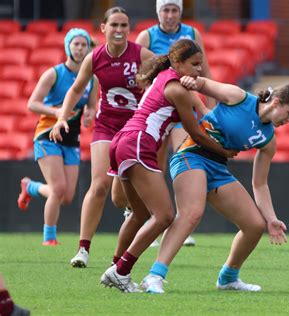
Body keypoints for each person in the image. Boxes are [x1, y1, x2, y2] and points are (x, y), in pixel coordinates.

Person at [138, 77, 289, 294]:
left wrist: (271, 219)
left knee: (255, 225)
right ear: (277, 102)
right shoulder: (239, 97)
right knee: (191, 213)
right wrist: (190, 79)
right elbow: (202, 84)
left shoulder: (268, 140)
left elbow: (260, 184)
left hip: (217, 168)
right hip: (191, 154)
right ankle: (154, 276)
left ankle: (228, 278)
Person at [99, 39, 237, 293]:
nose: (198, 70)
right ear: (177, 62)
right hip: (138, 143)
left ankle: (117, 267)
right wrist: (225, 151)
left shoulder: (165, 76)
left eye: (201, 65)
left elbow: (203, 110)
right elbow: (195, 131)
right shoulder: (176, 90)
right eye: (194, 65)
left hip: (123, 140)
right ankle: (120, 272)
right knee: (163, 216)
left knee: (140, 214)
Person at [50, 7, 155, 266]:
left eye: (124, 25)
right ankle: (83, 249)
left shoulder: (140, 54)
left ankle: (129, 213)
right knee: (98, 186)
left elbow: (166, 69)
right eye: (114, 25)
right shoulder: (94, 57)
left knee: (119, 198)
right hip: (106, 126)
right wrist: (62, 117)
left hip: (134, 128)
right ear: (103, 28)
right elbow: (75, 90)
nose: (119, 30)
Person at [136, 0, 214, 247]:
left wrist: (208, 107)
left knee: (182, 157)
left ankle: (182, 221)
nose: (170, 15)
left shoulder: (192, 34)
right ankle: (154, 222)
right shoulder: (146, 36)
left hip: (182, 109)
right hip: (158, 112)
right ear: (158, 12)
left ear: (180, 12)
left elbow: (205, 72)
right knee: (154, 166)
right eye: (166, 10)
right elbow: (138, 73)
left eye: (174, 10)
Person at [17, 28, 98, 246]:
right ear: (68, 47)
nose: (80, 49)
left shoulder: (92, 78)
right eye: (76, 44)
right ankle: (49, 238)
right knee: (58, 189)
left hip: (71, 139)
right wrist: (57, 112)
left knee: (67, 196)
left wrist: (90, 115)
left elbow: (91, 106)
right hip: (47, 135)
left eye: (84, 45)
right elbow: (32, 103)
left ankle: (31, 187)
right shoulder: (54, 73)